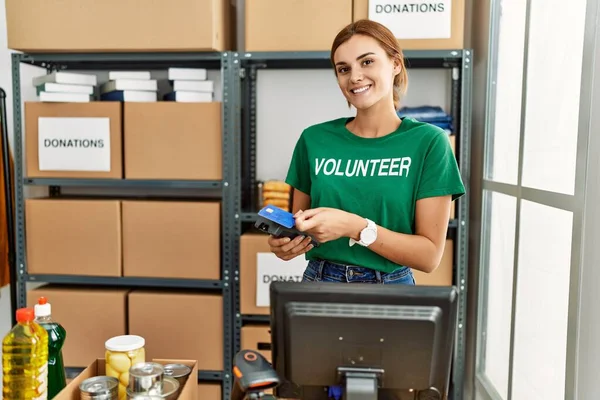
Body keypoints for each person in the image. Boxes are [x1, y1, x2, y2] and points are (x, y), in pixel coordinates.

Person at [267, 19, 465, 285]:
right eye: (343, 69)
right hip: (319, 282)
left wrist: (356, 227)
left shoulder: (430, 142)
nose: (355, 76)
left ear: (395, 64)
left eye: (367, 62)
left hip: (391, 288)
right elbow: (301, 229)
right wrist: (285, 245)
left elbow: (429, 257)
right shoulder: (313, 139)